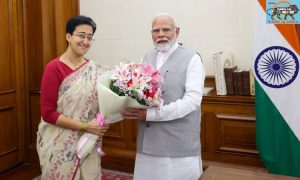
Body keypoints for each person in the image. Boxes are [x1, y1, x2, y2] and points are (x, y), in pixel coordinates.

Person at [122, 13, 205, 180]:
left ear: (177, 31)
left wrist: (152, 114)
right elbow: (137, 92)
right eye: (156, 30)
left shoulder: (192, 58)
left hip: (178, 143)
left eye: (166, 29)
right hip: (148, 142)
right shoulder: (146, 57)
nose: (160, 34)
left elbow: (192, 101)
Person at [36, 15, 109, 179]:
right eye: (81, 35)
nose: (86, 41)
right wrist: (85, 126)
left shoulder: (94, 70)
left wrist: (98, 125)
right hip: (59, 142)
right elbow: (47, 113)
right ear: (68, 37)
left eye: (90, 37)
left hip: (87, 141)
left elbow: (102, 104)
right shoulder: (53, 68)